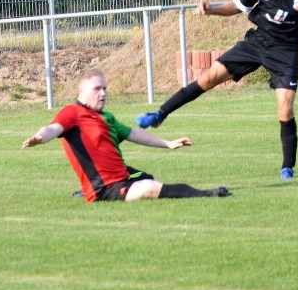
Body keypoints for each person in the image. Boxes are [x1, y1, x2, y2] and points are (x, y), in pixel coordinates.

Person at [136, 0, 298, 180]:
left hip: (286, 52)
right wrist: (211, 10)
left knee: (285, 108)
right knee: (208, 77)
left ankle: (287, 168)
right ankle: (160, 113)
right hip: (256, 43)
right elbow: (236, 6)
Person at [22, 68, 230, 202]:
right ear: (81, 91)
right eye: (97, 89)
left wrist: (168, 143)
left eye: (104, 88)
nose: (103, 93)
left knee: (147, 178)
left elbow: (135, 134)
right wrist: (39, 138)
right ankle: (208, 194)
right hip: (105, 188)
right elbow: (53, 129)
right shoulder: (72, 112)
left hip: (124, 176)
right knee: (149, 188)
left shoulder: (106, 118)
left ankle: (82, 192)